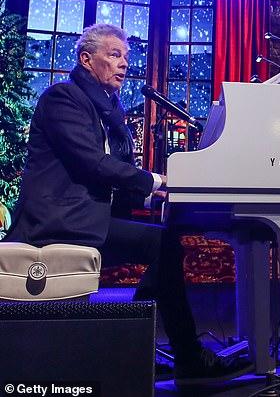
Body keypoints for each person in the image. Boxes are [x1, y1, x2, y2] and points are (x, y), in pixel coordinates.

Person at [4, 23, 252, 385]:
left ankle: (141, 346)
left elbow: (115, 174)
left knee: (166, 241)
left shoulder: (108, 108)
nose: (123, 64)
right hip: (57, 220)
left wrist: (157, 192)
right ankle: (185, 360)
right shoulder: (64, 98)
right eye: (113, 55)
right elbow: (92, 163)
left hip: (85, 218)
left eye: (125, 57)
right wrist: (156, 181)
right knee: (162, 244)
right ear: (86, 60)